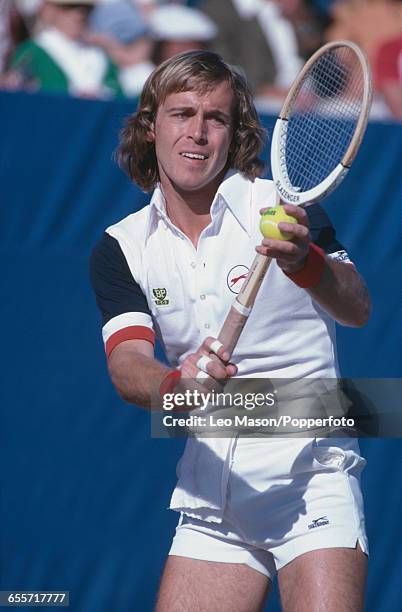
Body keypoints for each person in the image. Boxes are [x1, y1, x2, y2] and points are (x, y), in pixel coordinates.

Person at [90, 51, 370, 611]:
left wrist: (304, 262)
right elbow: (127, 367)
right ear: (150, 127)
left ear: (234, 131)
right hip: (210, 498)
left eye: (215, 118)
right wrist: (177, 385)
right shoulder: (121, 247)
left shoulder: (283, 208)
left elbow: (357, 307)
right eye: (182, 114)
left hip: (310, 481)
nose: (197, 133)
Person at [5, 0, 121, 98]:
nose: (79, 14)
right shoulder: (32, 52)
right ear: (49, 10)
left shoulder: (100, 55)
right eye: (69, 7)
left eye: (86, 8)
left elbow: (118, 92)